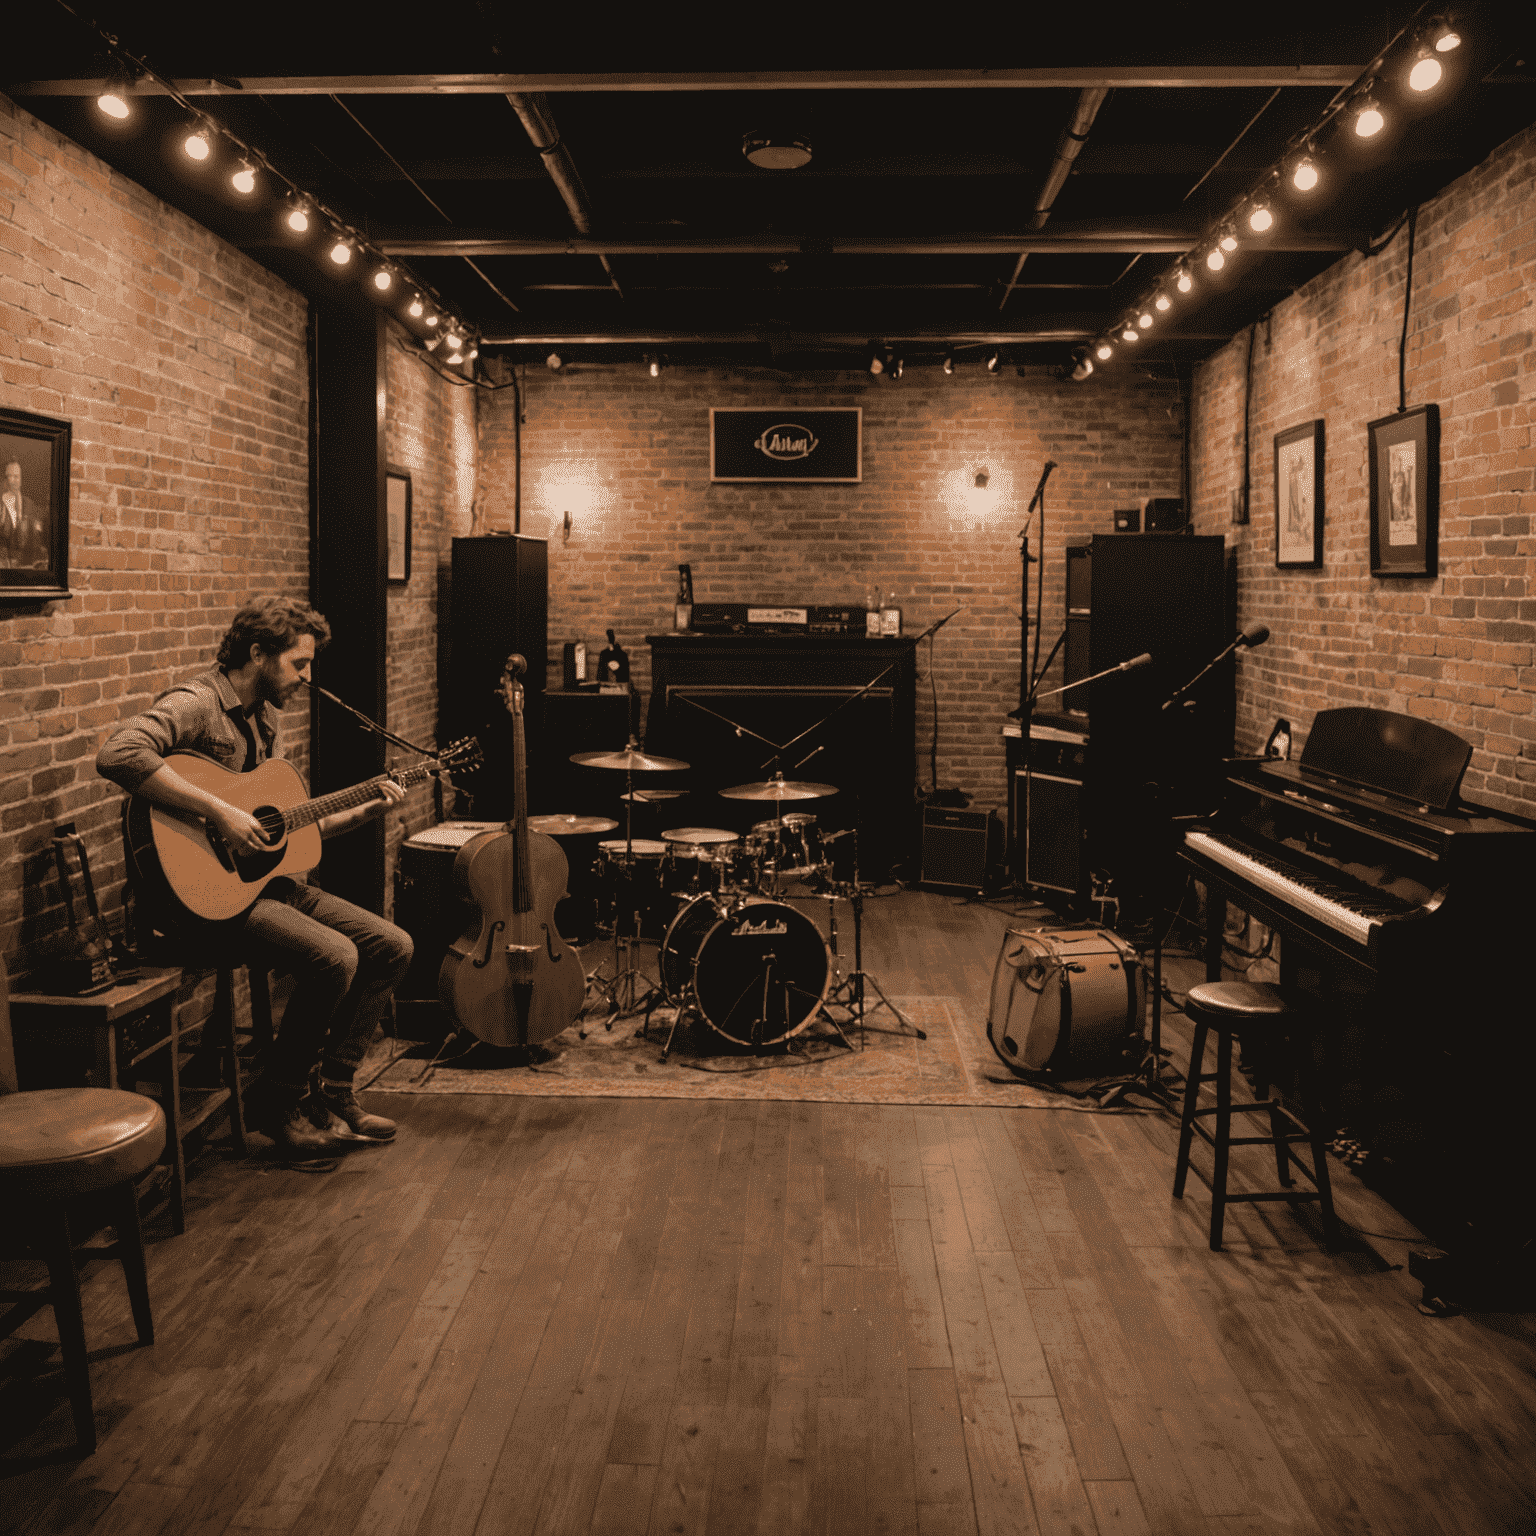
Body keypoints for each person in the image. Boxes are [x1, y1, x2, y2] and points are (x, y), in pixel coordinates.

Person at [96, 595, 413, 1154]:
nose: (308, 678)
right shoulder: (197, 702)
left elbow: (281, 837)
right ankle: (279, 1100)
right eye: (299, 664)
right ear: (258, 652)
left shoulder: (263, 717)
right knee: (335, 957)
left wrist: (366, 812)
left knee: (392, 945)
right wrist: (218, 811)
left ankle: (334, 1091)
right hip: (195, 903)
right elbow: (119, 752)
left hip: (259, 887)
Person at [1, 458, 48, 569]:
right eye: (8, 476)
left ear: (21, 479)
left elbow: (36, 540)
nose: (11, 480)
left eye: (16, 476)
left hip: (24, 567)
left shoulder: (29, 505)